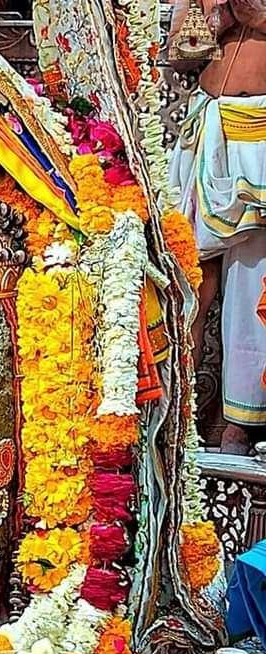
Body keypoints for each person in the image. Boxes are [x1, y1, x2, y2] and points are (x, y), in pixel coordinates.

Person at [169, 0, 266, 453]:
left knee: (254, 290)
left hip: (259, 136)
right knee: (187, 276)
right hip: (208, 129)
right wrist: (216, 16)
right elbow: (181, 52)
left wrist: (258, 18)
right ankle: (175, 407)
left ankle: (238, 426)